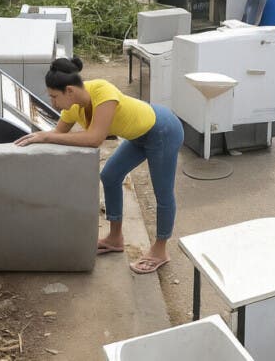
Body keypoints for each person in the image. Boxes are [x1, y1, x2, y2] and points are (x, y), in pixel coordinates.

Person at [14, 58, 184, 275]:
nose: (53, 103)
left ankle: (160, 250)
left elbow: (94, 138)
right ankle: (115, 238)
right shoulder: (72, 108)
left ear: (69, 91)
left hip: (162, 131)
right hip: (138, 136)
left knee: (163, 193)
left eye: (54, 96)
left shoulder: (103, 92)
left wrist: (47, 137)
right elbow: (57, 134)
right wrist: (37, 139)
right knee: (110, 176)